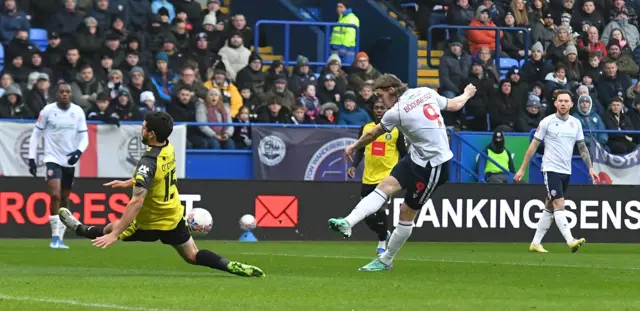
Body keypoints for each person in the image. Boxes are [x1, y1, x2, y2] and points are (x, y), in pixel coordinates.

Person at [57, 112, 264, 278]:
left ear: (152, 134)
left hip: (148, 222)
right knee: (192, 255)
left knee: (112, 227)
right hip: (173, 217)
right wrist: (132, 181)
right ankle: (230, 266)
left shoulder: (148, 161)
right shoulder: (169, 148)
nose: (142, 129)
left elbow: (137, 201)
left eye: (145, 127)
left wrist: (115, 233)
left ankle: (80, 229)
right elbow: (158, 177)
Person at [329, 74, 477, 271]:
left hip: (434, 166)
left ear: (391, 91)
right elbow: (455, 105)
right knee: (384, 186)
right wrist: (467, 93)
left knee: (406, 213)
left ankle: (386, 260)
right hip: (415, 157)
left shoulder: (396, 112)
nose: (380, 102)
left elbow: (373, 134)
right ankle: (348, 222)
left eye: (381, 96)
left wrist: (354, 146)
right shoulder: (425, 92)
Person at [514, 90, 598, 253]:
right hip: (550, 168)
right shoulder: (547, 122)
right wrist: (522, 168)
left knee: (550, 206)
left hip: (566, 170)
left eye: (566, 101)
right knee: (559, 203)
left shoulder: (576, 123)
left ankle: (535, 243)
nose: (563, 104)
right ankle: (571, 241)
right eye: (560, 101)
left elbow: (582, 147)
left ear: (572, 104)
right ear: (555, 103)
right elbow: (533, 145)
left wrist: (590, 167)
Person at [28, 83, 89, 249]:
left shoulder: (77, 112)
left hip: (69, 160)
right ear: (56, 94)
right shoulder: (48, 111)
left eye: (67, 92)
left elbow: (84, 137)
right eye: (61, 92)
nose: (64, 94)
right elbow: (36, 134)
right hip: (52, 158)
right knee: (54, 195)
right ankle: (54, 237)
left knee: (64, 198)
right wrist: (32, 158)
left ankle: (60, 238)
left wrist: (78, 151)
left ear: (70, 94)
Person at [347, 99, 407, 256]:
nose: (379, 110)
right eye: (376, 108)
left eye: (382, 108)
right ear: (373, 110)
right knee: (366, 214)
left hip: (386, 179)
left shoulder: (396, 130)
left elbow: (404, 153)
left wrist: (402, 172)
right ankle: (383, 233)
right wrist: (354, 165)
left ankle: (382, 244)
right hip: (368, 177)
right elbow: (360, 148)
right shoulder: (366, 128)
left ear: (387, 110)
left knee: (380, 211)